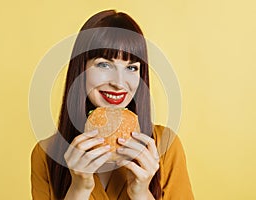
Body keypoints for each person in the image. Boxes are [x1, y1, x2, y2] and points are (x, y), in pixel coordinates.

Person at [31, 9, 194, 200]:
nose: (118, 82)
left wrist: (141, 192)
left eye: (131, 67)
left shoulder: (165, 145)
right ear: (80, 70)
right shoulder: (46, 154)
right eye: (104, 65)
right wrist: (79, 189)